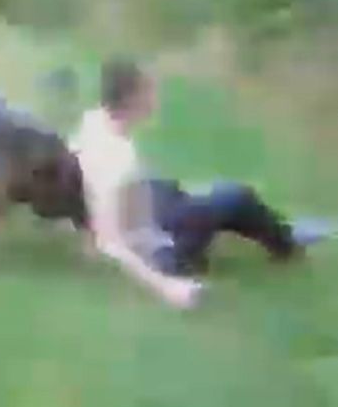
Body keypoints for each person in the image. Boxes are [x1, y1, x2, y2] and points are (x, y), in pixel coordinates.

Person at [71, 59, 303, 309]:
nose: (155, 97)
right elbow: (110, 242)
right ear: (132, 99)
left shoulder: (94, 120)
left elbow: (80, 171)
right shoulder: (119, 160)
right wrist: (167, 287)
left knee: (171, 188)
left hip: (147, 208)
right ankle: (287, 248)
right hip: (156, 245)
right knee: (236, 197)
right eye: (149, 90)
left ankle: (258, 229)